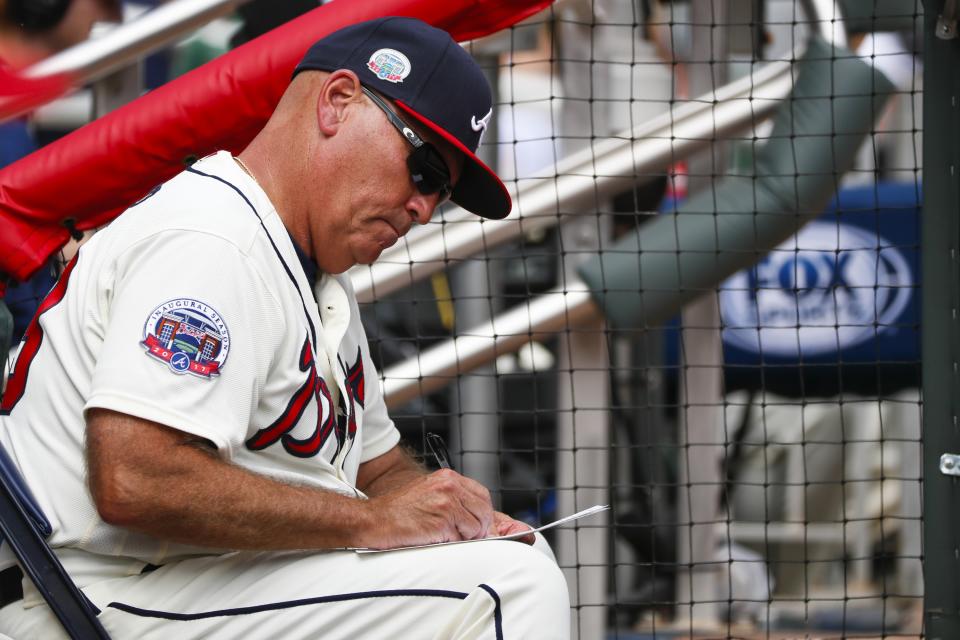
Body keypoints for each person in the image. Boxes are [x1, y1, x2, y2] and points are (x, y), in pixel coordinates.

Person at [0, 16, 570, 639]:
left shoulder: (319, 276)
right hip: (80, 594)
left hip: (187, 586)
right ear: (338, 102)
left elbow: (378, 472)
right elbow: (136, 479)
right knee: (505, 587)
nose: (424, 208)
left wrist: (444, 513)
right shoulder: (213, 237)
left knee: (511, 557)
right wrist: (377, 522)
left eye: (443, 196)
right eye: (426, 170)